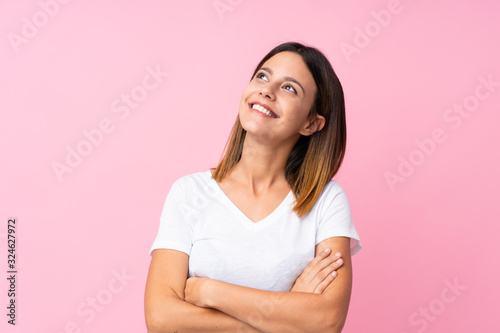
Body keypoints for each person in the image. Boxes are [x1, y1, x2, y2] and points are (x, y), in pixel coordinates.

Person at [144, 41, 362, 333]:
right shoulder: (189, 193)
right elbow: (161, 320)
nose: (267, 91)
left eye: (289, 88)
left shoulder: (326, 201)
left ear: (311, 123)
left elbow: (326, 321)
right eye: (262, 76)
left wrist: (210, 292)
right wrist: (286, 315)